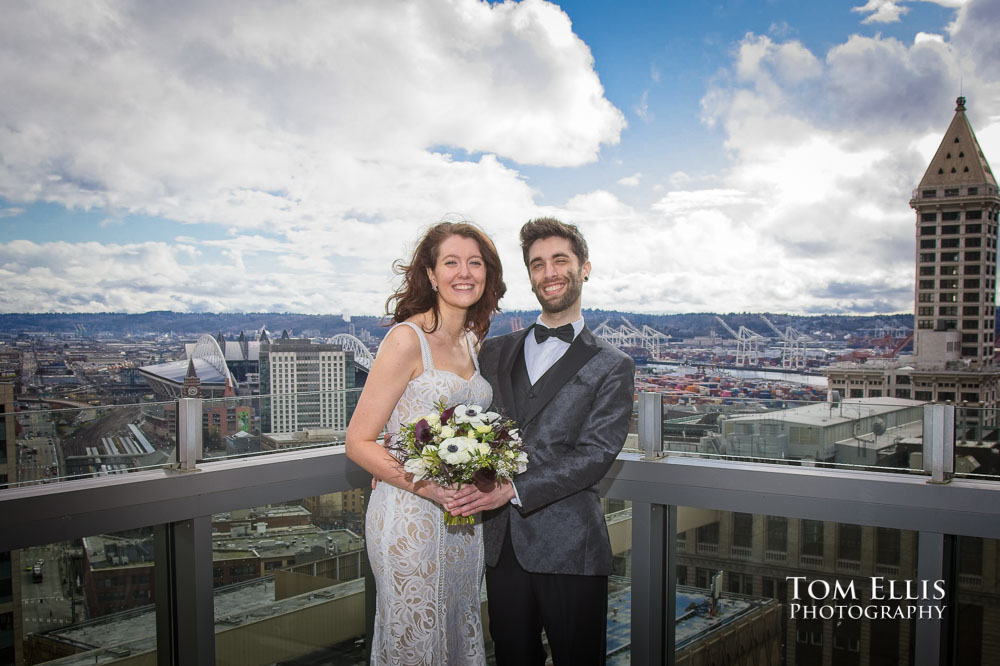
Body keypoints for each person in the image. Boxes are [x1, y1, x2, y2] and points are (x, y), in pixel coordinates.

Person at [447, 217, 635, 665]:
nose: (549, 273)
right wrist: (396, 454)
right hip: (501, 546)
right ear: (529, 276)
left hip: (572, 548)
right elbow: (455, 416)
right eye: (537, 264)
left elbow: (595, 456)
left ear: (584, 267)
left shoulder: (613, 364)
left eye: (560, 260)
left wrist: (511, 489)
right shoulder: (494, 350)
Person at [345, 221, 506, 665]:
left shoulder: (473, 341)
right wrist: (428, 485)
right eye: (451, 262)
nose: (464, 272)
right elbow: (358, 442)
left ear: (487, 275)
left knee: (458, 626)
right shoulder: (405, 340)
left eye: (475, 263)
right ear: (431, 275)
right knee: (414, 638)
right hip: (410, 516)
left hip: (462, 519)